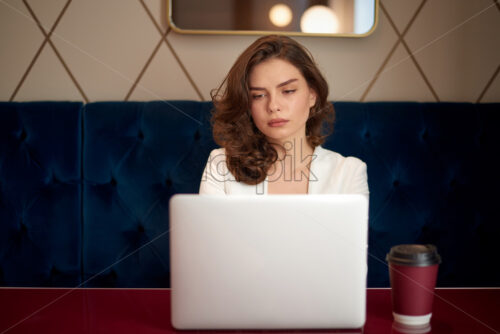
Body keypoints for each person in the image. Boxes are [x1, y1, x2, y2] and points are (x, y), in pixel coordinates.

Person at [199, 35, 368, 196]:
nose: (273, 106)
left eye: (288, 91)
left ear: (312, 95)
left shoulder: (349, 172)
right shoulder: (221, 164)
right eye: (258, 95)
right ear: (247, 104)